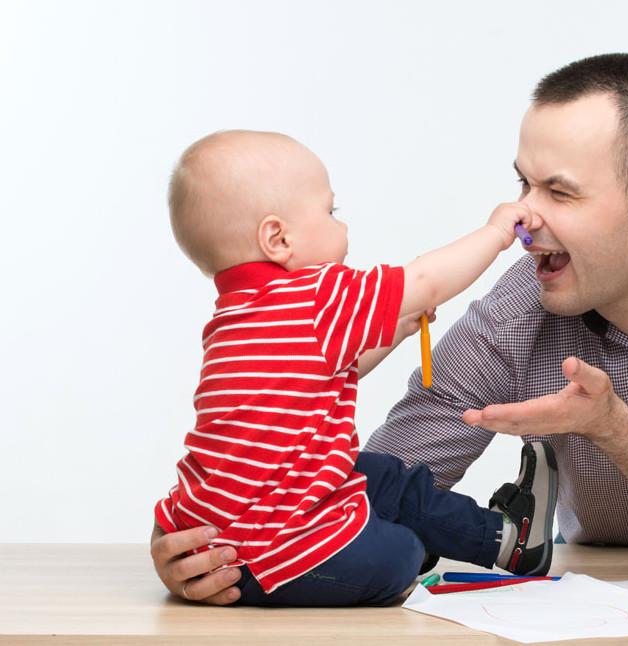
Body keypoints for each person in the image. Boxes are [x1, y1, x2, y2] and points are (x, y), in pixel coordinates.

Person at [152, 54, 628, 605]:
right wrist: (219, 544)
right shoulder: (516, 308)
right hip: (614, 585)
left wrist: (613, 426)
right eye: (522, 184)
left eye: (558, 191)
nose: (525, 217)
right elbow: (369, 489)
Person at [152, 129, 558, 606]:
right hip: (277, 557)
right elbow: (425, 280)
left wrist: (398, 329)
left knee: (379, 474)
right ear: (277, 238)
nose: (342, 227)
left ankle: (506, 541)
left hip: (221, 542)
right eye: (330, 212)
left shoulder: (236, 317)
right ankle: (496, 539)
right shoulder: (315, 294)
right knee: (403, 553)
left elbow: (325, 374)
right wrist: (495, 234)